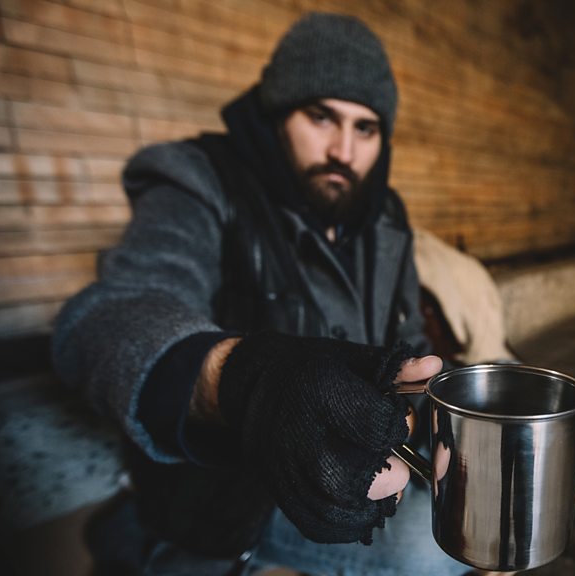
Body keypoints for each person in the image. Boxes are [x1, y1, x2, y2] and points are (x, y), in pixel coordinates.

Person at [51, 12, 469, 576]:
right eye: (321, 117)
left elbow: (409, 339)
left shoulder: (384, 216)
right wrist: (246, 381)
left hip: (369, 458)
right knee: (432, 548)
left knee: (475, 507)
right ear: (278, 113)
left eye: (365, 128)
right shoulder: (198, 180)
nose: (343, 150)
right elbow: (113, 317)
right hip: (240, 490)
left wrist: (447, 404)